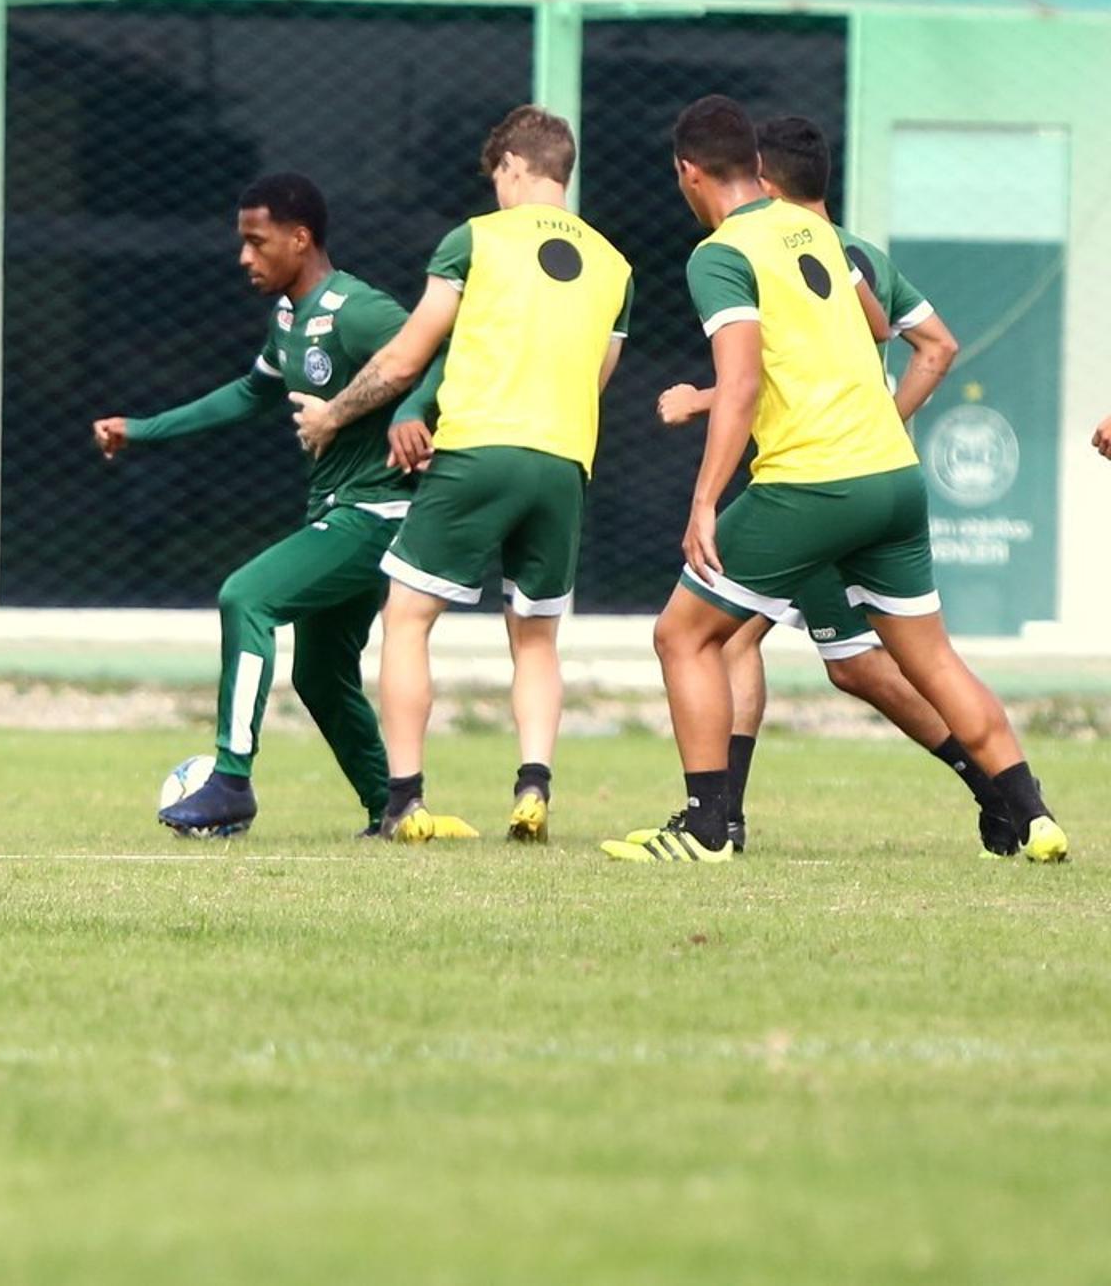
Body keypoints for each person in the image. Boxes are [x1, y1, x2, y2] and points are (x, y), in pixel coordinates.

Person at [606, 95, 1067, 864]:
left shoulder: (720, 253)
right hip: (893, 474)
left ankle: (707, 828)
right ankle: (1032, 813)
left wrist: (704, 500)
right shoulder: (821, 231)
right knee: (929, 659)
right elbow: (887, 332)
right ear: (755, 165)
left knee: (683, 632)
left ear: (688, 173)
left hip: (812, 481)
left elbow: (744, 381)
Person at [291, 106, 632, 845]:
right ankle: (533, 784)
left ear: (512, 165)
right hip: (564, 460)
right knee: (536, 638)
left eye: (498, 177)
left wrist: (332, 416)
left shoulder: (474, 239)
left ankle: (403, 800)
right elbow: (596, 375)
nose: (497, 189)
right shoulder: (615, 264)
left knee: (408, 618)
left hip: (480, 449)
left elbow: (406, 356)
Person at [92, 173, 452, 840]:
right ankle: (393, 809)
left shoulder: (355, 308)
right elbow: (244, 394)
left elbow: (435, 353)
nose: (244, 258)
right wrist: (141, 428)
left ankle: (230, 779)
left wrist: (408, 412)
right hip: (340, 511)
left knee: (246, 597)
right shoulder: (289, 316)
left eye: (256, 242)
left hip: (376, 515)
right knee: (319, 671)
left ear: (300, 237)